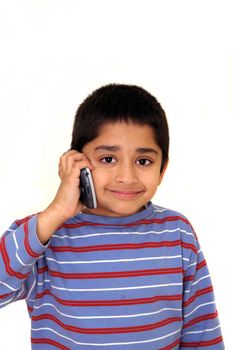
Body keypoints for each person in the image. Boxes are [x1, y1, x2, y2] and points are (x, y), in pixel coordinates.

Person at [0, 84, 224, 349]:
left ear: (162, 169)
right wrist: (57, 212)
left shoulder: (177, 232)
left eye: (143, 161)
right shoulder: (44, 234)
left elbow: (202, 332)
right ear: (77, 163)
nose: (127, 177)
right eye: (108, 159)